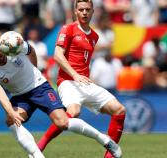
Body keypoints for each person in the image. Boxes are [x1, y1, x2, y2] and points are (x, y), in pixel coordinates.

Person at [0, 32, 122, 158]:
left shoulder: (14, 44)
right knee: (11, 120)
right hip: (20, 96)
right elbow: (0, 95)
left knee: (63, 123)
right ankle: (37, 155)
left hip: (40, 87)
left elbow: (31, 51)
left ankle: (105, 140)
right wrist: (11, 112)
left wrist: (35, 69)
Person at [36, 1, 126, 158]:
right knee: (73, 113)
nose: (84, 12)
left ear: (93, 12)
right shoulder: (68, 28)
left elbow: (84, 61)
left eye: (87, 10)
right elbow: (58, 55)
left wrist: (83, 77)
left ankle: (109, 156)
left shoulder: (94, 36)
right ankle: (38, 147)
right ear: (75, 11)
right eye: (81, 9)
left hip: (85, 82)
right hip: (68, 82)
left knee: (119, 110)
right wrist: (75, 74)